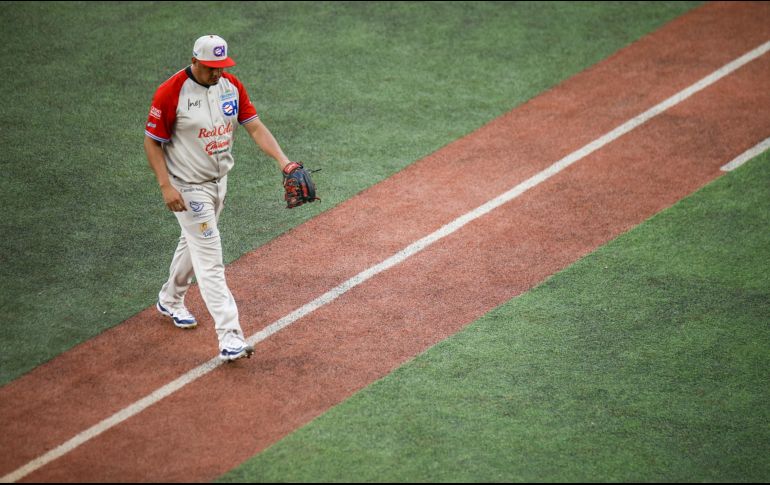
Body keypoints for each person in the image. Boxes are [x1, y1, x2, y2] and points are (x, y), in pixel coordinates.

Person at [143, 34, 294, 361]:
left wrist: (284, 161)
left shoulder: (231, 86)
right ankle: (230, 337)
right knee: (211, 261)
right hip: (187, 186)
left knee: (193, 242)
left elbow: (254, 127)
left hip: (218, 183)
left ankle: (169, 299)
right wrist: (165, 186)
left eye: (222, 67)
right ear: (195, 61)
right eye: (211, 68)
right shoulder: (172, 92)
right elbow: (152, 142)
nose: (217, 73)